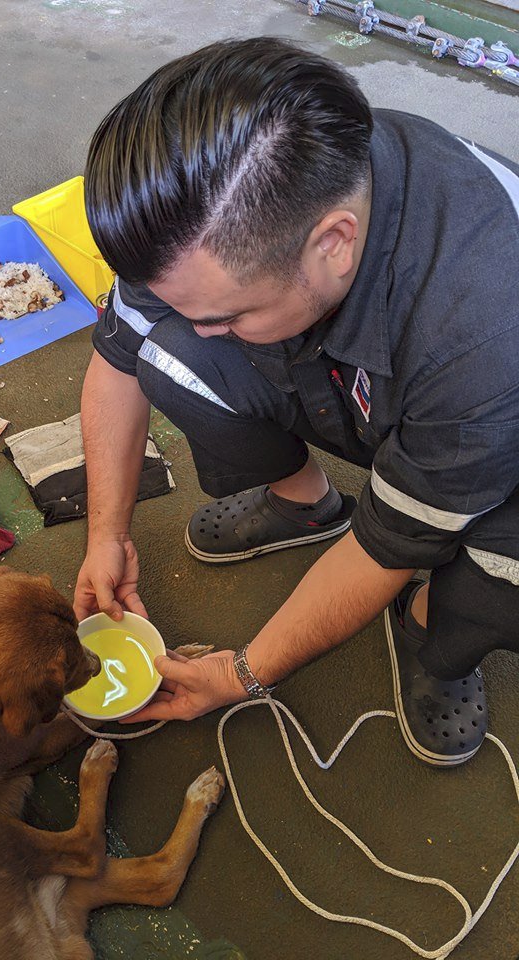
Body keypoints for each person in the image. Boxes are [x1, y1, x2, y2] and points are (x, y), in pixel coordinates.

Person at [72, 37, 519, 766]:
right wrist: (106, 537)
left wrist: (240, 673)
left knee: (494, 567)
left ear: (334, 243)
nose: (207, 331)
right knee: (169, 353)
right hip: (401, 382)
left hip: (497, 425)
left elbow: (392, 542)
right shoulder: (211, 214)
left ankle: (438, 636)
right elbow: (122, 355)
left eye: (228, 315)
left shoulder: (485, 329)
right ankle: (305, 503)